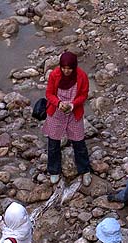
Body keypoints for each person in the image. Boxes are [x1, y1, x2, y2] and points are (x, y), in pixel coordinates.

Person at [43, 52, 92, 186]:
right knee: (53, 143)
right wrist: (58, 103)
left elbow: (83, 94)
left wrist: (72, 104)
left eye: (69, 68)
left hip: (74, 112)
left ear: (74, 67)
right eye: (63, 67)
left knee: (79, 143)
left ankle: (84, 170)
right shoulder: (54, 74)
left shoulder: (81, 76)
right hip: (56, 112)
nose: (66, 71)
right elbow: (49, 93)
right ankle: (54, 170)